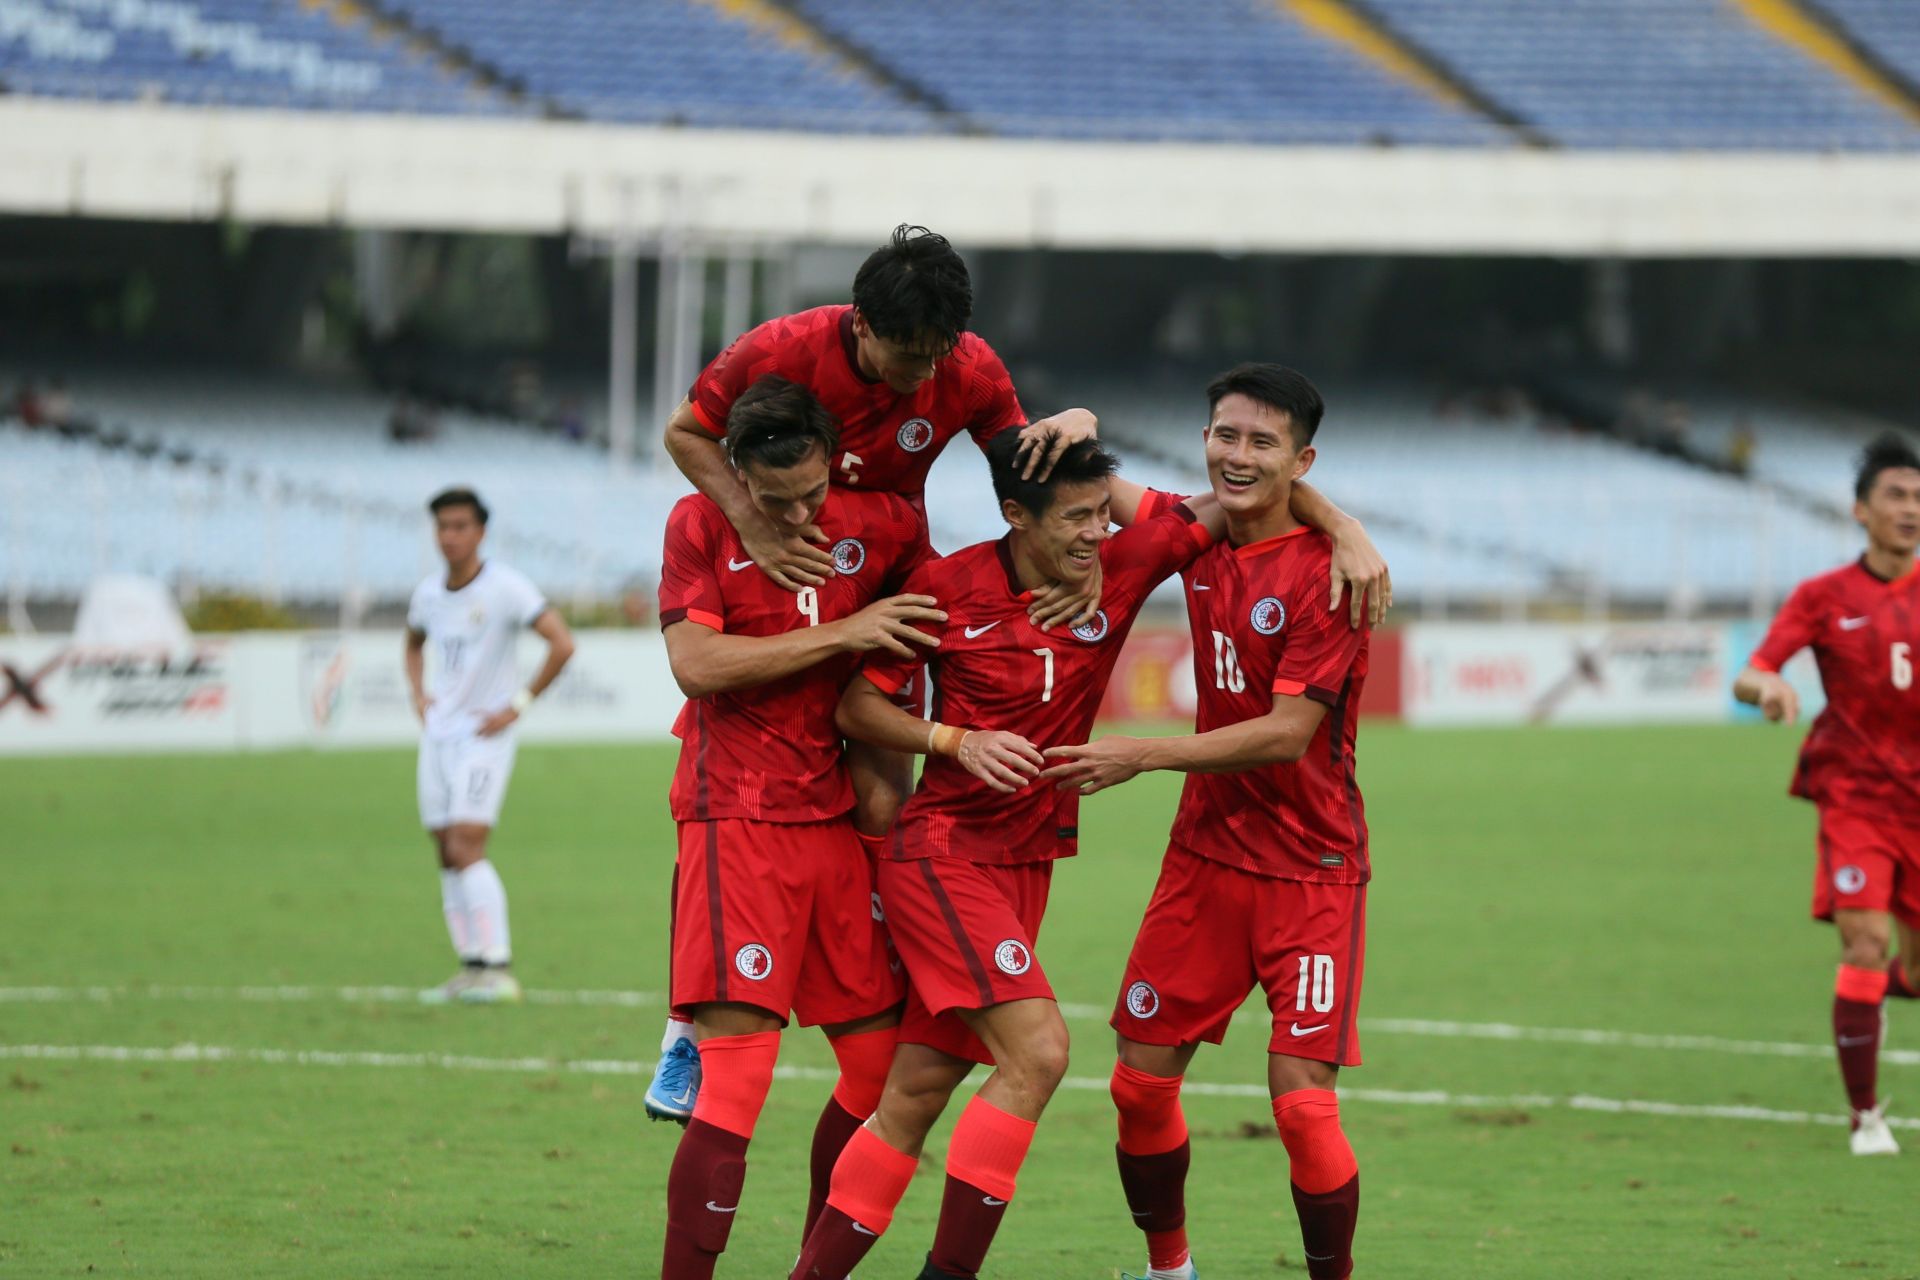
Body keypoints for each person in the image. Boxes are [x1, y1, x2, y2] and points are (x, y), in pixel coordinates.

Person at [647, 222, 1391, 1120]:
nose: (922, 378)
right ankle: (692, 1018)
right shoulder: (787, 347)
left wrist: (1334, 522)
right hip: (792, 552)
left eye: (936, 357)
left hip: (891, 571)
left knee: (882, 800)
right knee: (740, 773)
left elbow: (1052, 472)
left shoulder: (968, 368)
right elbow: (688, 431)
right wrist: (754, 521)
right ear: (861, 327)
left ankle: (889, 964)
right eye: (904, 358)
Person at [790, 430, 1229, 1280]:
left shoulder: (1121, 563)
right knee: (1040, 1053)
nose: (1095, 534)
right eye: (1074, 519)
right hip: (942, 855)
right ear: (1014, 516)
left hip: (1026, 864)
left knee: (913, 1094)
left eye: (1103, 515)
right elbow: (855, 710)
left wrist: (1342, 526)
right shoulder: (945, 591)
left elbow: (1238, 502)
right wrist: (953, 740)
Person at [1041, 364, 1371, 1280]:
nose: (1238, 455)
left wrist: (1138, 753)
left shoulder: (1331, 576)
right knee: (1138, 1086)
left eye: (1263, 442)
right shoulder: (1191, 535)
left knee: (1303, 1106)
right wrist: (1078, 415)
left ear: (1301, 460)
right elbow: (1095, 478)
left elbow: (1286, 734)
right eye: (1225, 435)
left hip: (1311, 867)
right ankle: (1169, 1271)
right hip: (1206, 859)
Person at [655, 375, 949, 1279]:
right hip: (735, 815)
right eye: (776, 500)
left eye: (814, 492)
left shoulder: (888, 526)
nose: (798, 513)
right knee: (738, 1078)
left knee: (876, 1073)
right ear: (737, 472)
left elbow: (928, 634)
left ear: (836, 460)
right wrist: (844, 632)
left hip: (834, 825)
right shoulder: (699, 523)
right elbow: (696, 665)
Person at [1732, 432, 1920, 1157]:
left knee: (1903, 968)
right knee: (1865, 940)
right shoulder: (1824, 596)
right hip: (1856, 801)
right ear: (1861, 512)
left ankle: (1873, 993)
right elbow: (1749, 673)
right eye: (1895, 496)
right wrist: (1770, 686)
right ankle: (1865, 1116)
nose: (1909, 509)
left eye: (1916, 497)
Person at [404, 488, 575, 1004]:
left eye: (460, 526)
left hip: (484, 738)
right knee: (444, 851)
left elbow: (561, 643)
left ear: (480, 532)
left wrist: (518, 704)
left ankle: (497, 966)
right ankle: (470, 966)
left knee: (465, 845)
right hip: (439, 739)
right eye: (442, 527)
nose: (450, 536)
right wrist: (419, 694)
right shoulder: (428, 594)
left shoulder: (506, 588)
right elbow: (413, 644)